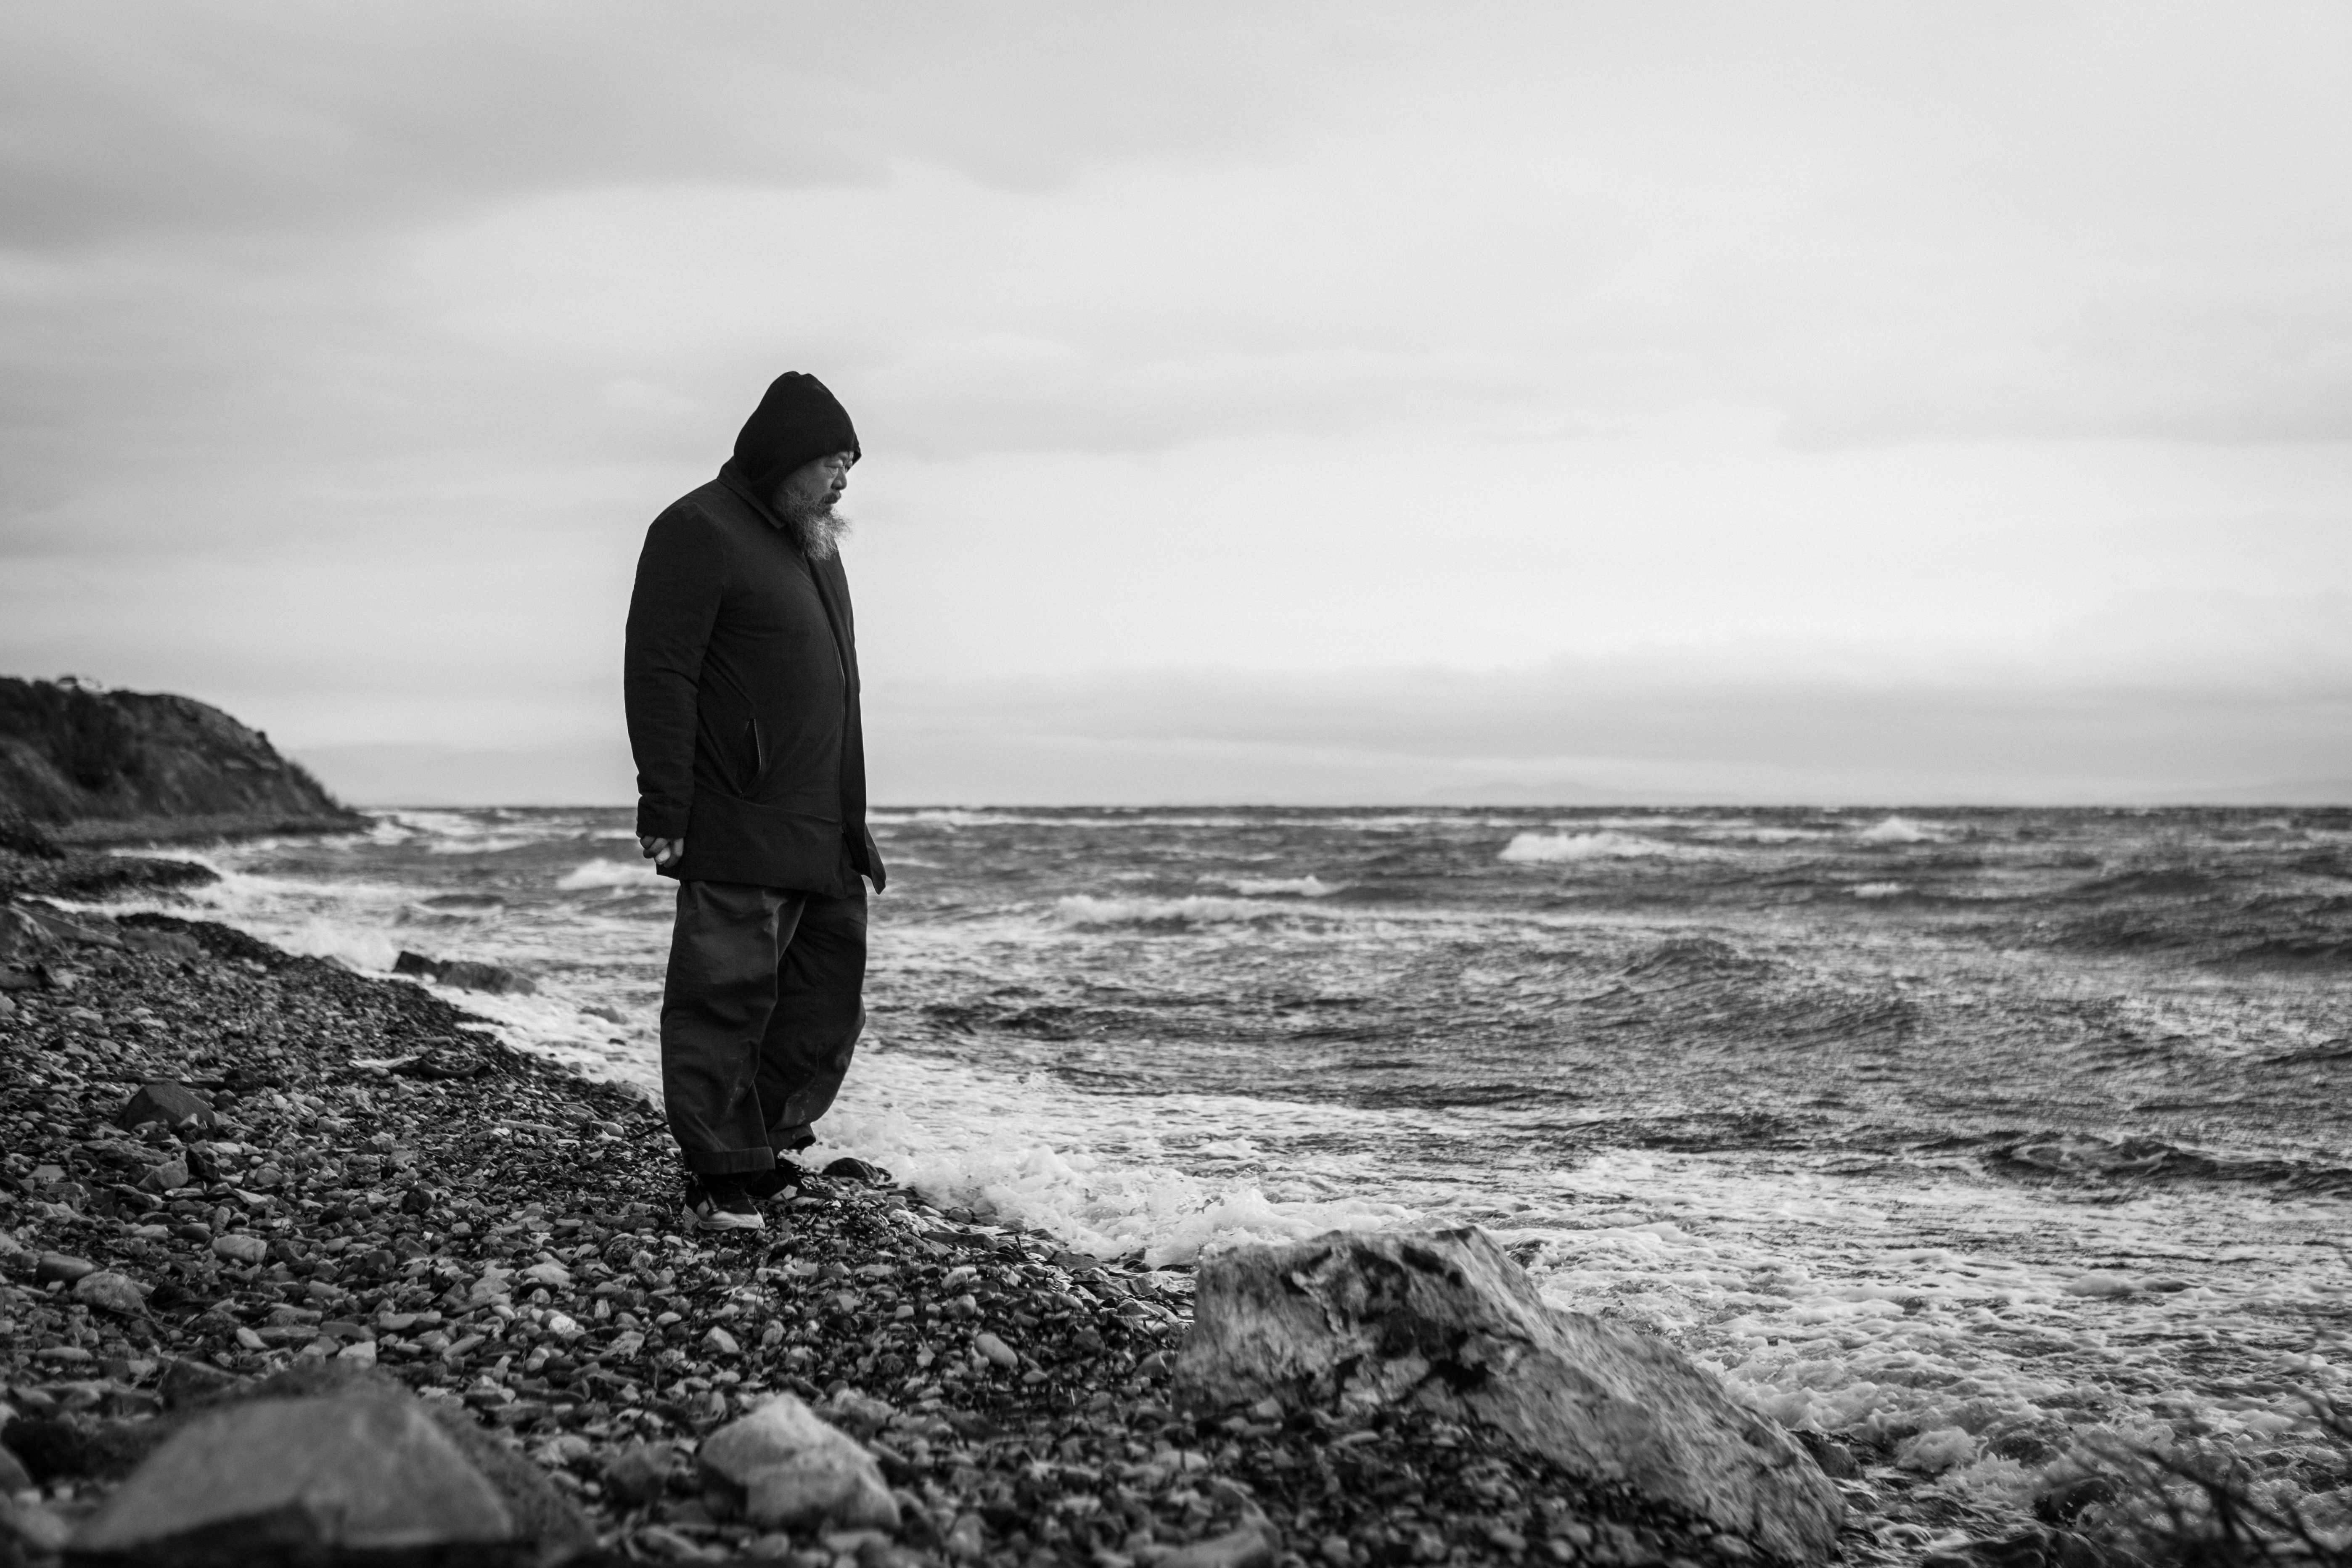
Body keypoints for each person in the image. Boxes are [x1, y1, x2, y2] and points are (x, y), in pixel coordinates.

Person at [622, 371, 887, 1232]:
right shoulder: (696, 530)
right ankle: (715, 1170)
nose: (845, 476)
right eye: (832, 459)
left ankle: (761, 1147)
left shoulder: (816, 543)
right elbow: (660, 673)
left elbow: (839, 690)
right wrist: (665, 805)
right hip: (737, 816)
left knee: (822, 1002)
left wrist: (856, 822)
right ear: (783, 457)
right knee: (724, 996)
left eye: (851, 460)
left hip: (822, 825)